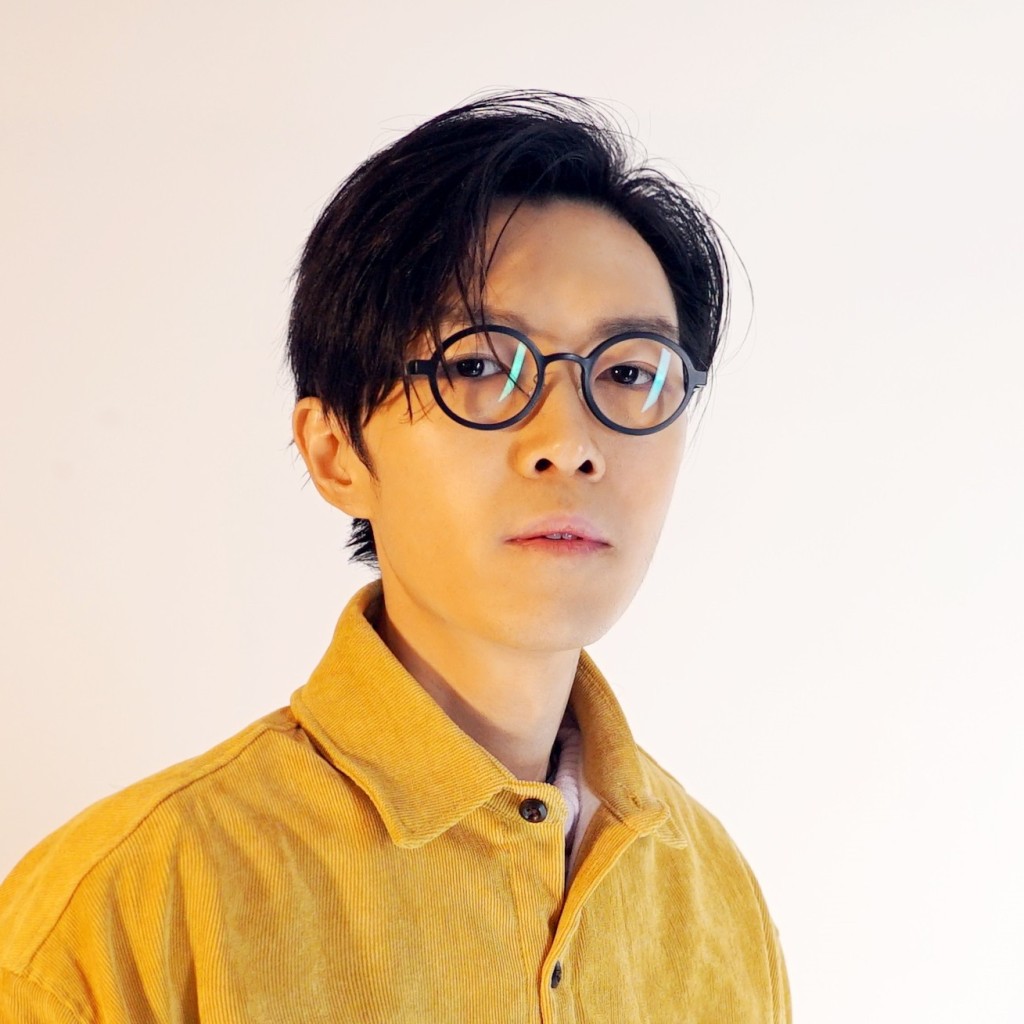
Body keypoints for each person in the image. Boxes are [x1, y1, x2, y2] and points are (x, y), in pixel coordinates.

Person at [0, 92, 790, 1022]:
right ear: (335, 451)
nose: (571, 444)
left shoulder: (716, 900)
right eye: (479, 365)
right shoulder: (128, 907)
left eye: (628, 372)